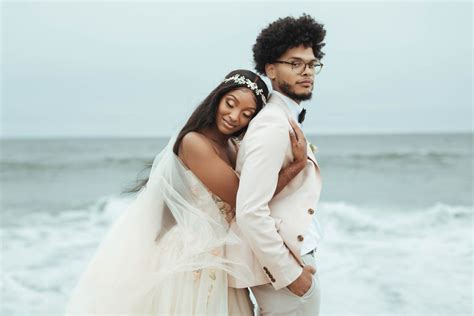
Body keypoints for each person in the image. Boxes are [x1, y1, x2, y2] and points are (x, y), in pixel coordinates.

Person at [65, 69, 308, 315]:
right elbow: (241, 198)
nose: (234, 117)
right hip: (192, 259)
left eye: (247, 114)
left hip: (219, 257)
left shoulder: (232, 147)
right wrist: (295, 167)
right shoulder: (194, 143)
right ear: (217, 98)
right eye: (230, 104)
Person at [226, 15, 327, 315]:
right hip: (285, 268)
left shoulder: (283, 118)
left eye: (311, 64)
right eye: (295, 64)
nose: (306, 71)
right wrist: (289, 275)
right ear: (270, 69)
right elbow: (249, 210)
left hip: (291, 258)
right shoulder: (271, 125)